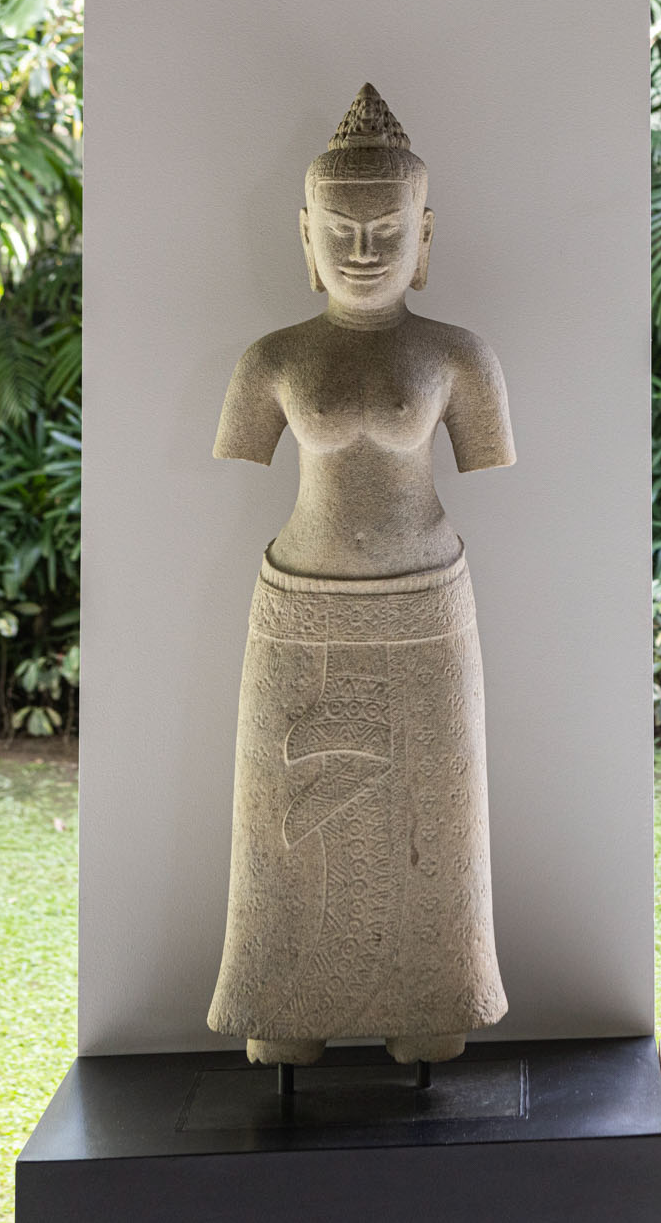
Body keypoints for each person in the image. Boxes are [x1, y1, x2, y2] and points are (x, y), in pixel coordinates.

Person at [205, 84, 513, 1068]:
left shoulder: (456, 358)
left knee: (436, 823)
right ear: (305, 238)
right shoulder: (274, 360)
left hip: (426, 608)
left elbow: (485, 453)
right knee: (283, 829)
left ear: (424, 239)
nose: (364, 248)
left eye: (387, 229)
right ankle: (281, 1005)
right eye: (341, 228)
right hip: (299, 609)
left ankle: (433, 1000)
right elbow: (243, 448)